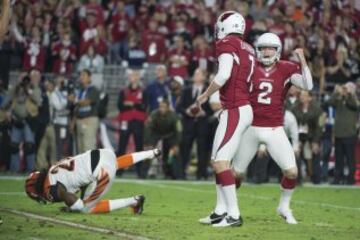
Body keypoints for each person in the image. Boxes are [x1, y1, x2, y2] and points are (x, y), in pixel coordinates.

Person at [232, 33, 313, 224]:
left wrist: (301, 58)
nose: (267, 51)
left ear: (277, 50)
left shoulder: (286, 67)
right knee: (236, 174)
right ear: (257, 50)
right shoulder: (250, 66)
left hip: (275, 128)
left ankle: (284, 207)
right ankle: (228, 207)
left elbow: (308, 85)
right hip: (250, 127)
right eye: (263, 48)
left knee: (292, 172)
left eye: (271, 48)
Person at [197, 11, 255, 227]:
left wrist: (204, 94)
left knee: (221, 162)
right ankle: (220, 211)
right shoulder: (247, 47)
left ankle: (234, 214)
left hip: (235, 108)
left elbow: (223, 75)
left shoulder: (227, 43)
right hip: (237, 108)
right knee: (218, 161)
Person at [25, 148, 161, 214]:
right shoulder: (53, 168)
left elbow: (77, 204)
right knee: (115, 164)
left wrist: (72, 208)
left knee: (85, 209)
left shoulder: (50, 189)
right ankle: (151, 153)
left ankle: (134, 201)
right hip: (102, 153)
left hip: (100, 171)